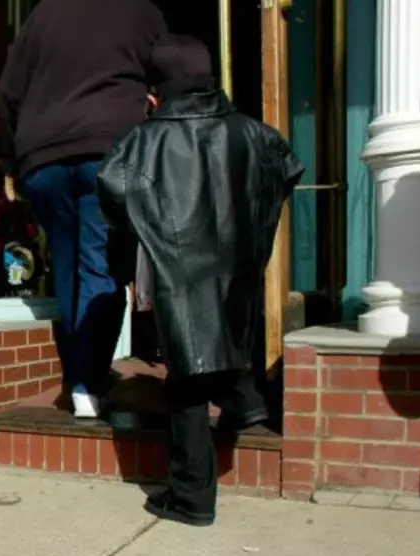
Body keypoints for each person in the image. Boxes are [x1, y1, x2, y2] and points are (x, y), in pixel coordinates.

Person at [97, 34, 304, 526]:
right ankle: (244, 400)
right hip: (239, 271)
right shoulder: (259, 135)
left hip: (178, 275)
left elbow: (112, 196)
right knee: (225, 341)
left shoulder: (141, 144)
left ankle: (192, 497)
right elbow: (289, 171)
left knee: (187, 381)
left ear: (155, 96)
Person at [0, 0, 168, 418]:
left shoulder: (43, 14)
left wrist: (10, 160)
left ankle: (83, 376)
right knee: (103, 267)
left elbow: (8, 94)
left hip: (43, 157)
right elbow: (170, 73)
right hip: (110, 149)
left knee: (70, 267)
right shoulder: (142, 12)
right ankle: (87, 385)